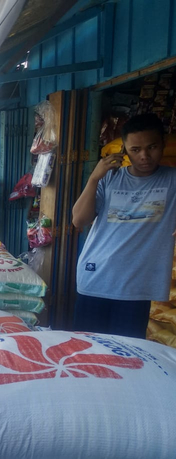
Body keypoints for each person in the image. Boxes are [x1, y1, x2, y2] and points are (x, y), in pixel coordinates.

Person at [72, 113, 176, 338]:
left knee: (125, 356)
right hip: (96, 278)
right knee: (85, 351)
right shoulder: (110, 178)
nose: (145, 156)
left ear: (163, 144)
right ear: (125, 150)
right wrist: (93, 179)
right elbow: (79, 220)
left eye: (152, 147)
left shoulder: (172, 180)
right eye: (135, 150)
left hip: (136, 288)